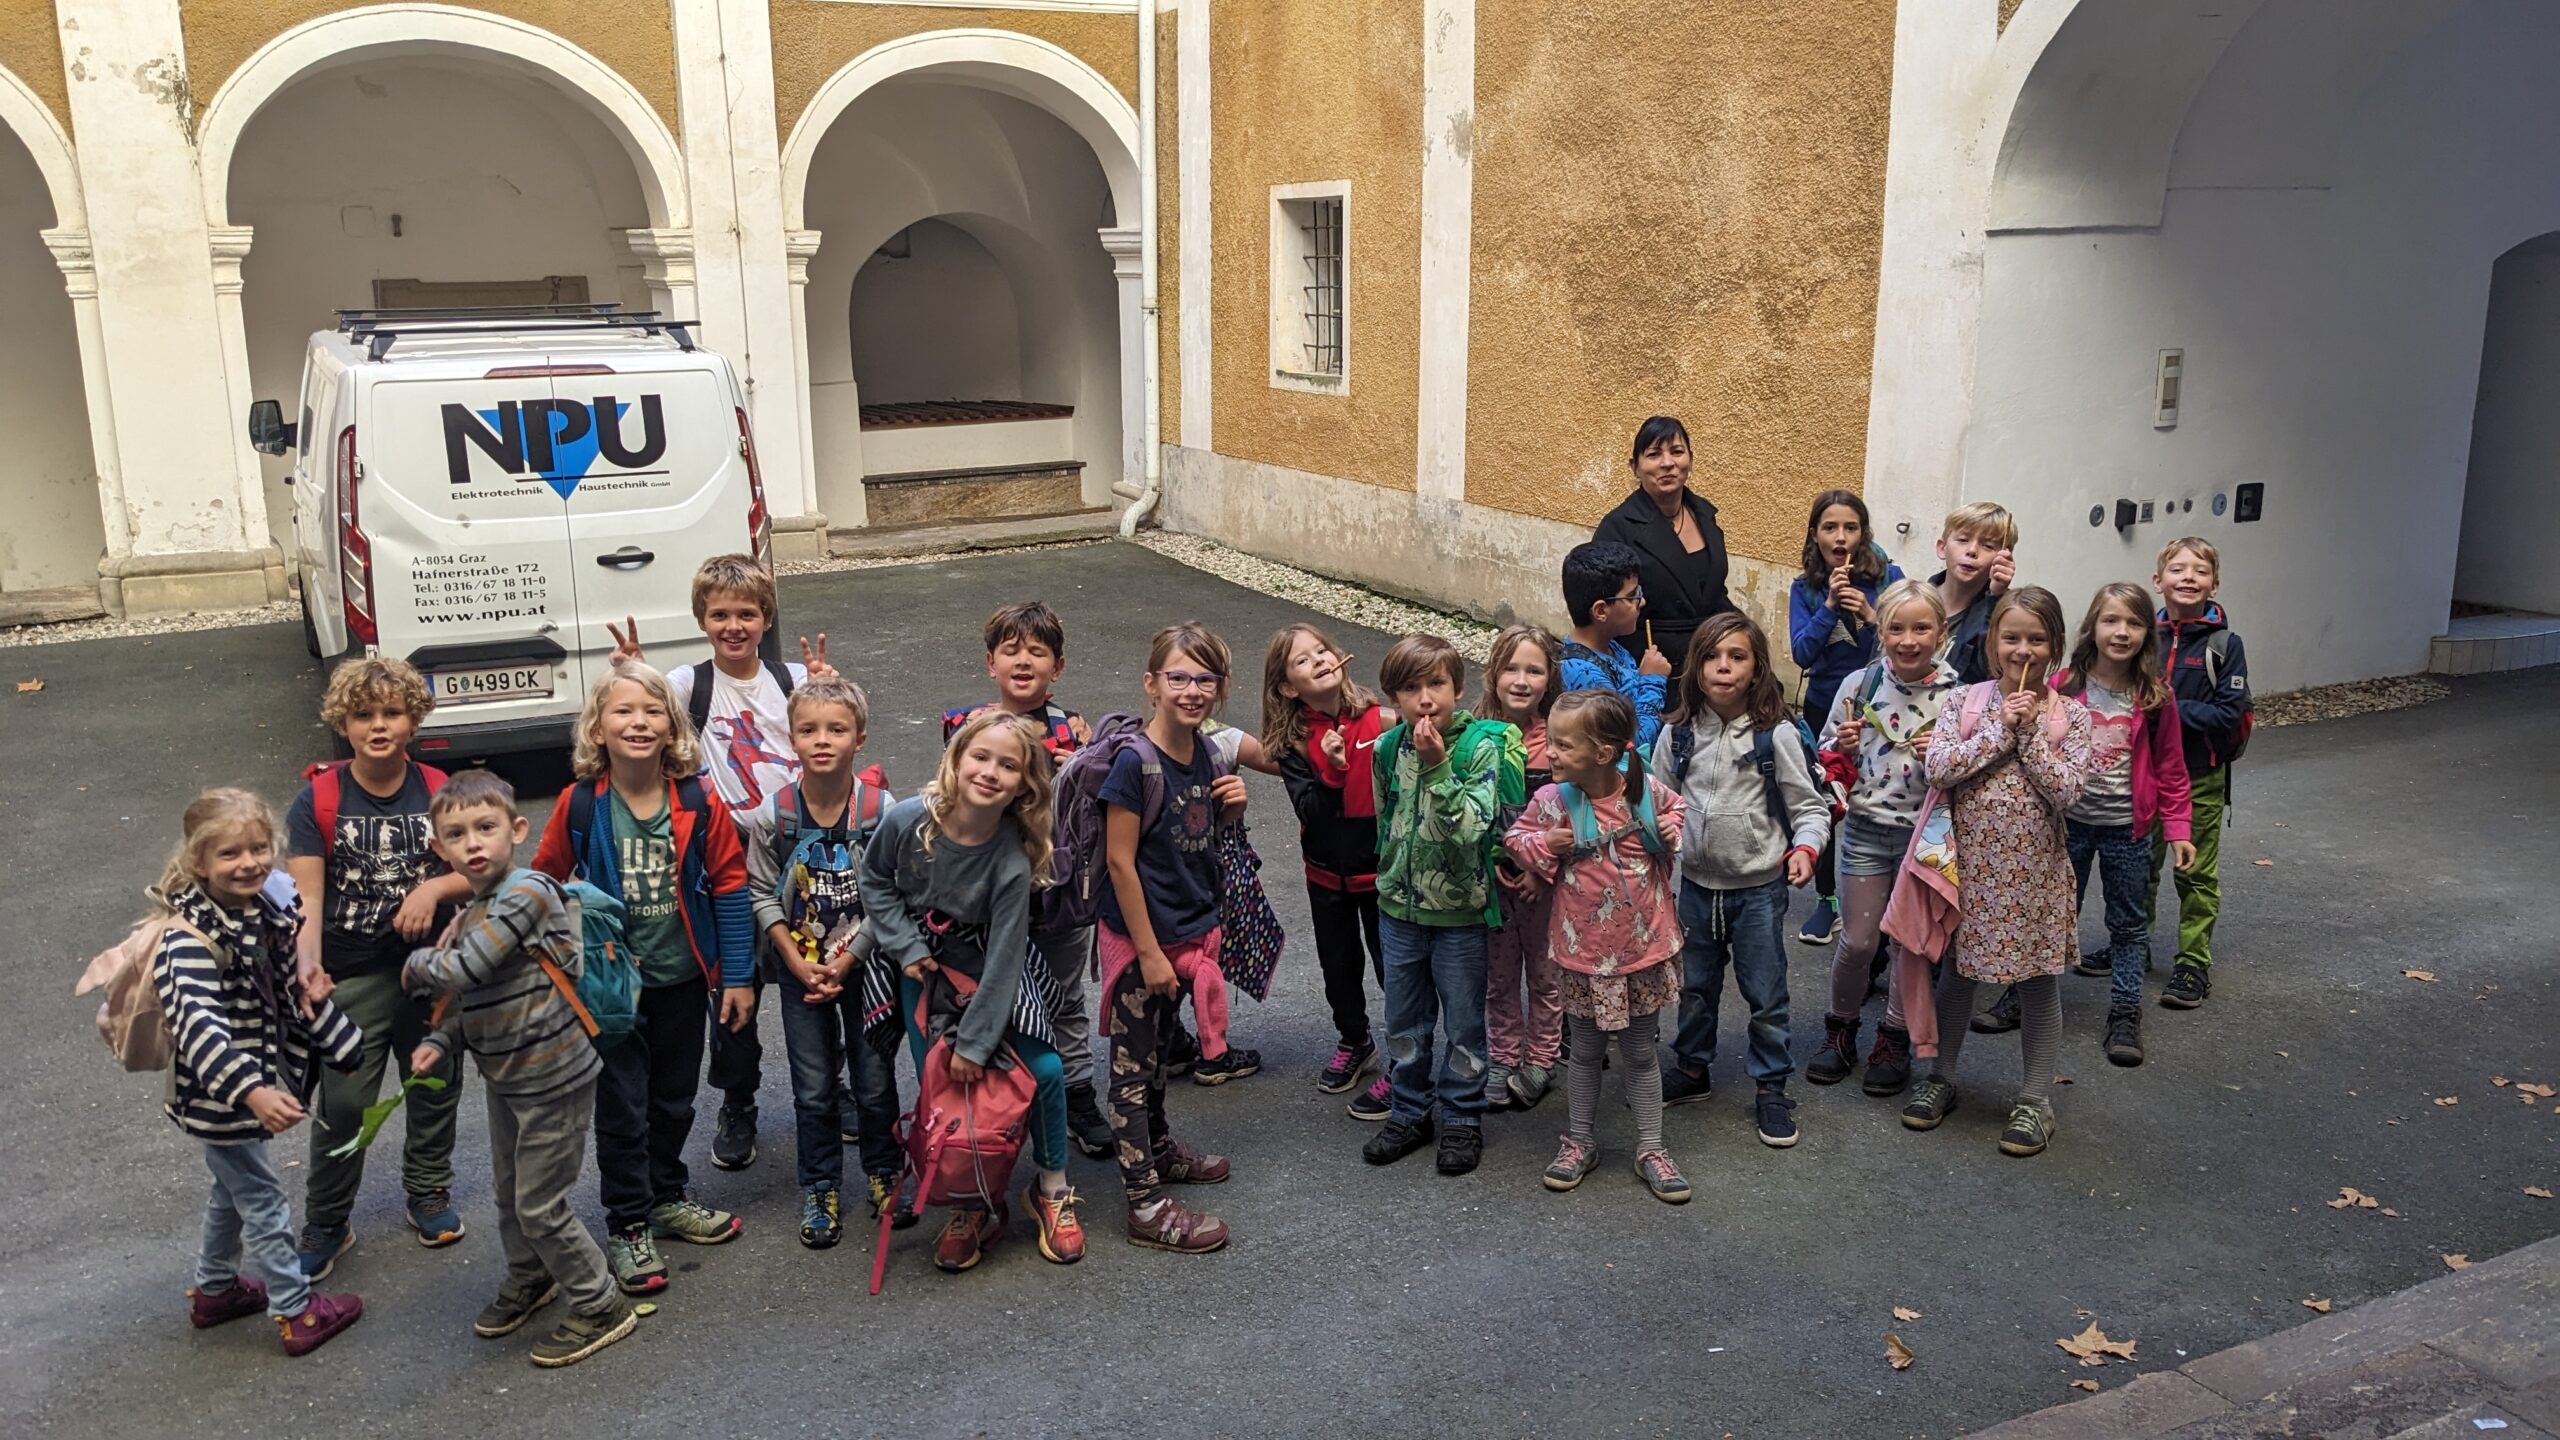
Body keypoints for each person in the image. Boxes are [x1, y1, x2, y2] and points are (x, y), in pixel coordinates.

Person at [532, 658, 756, 1295]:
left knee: (675, 1099)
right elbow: (544, 884)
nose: (638, 721)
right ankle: (628, 1221)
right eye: (623, 710)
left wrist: (736, 976)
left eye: (652, 710)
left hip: (682, 980)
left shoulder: (696, 798)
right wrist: (555, 971)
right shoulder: (581, 803)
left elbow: (731, 887)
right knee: (623, 1109)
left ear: (672, 726)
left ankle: (666, 1195)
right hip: (610, 993)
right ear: (597, 727)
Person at [605, 553, 835, 1174]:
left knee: (816, 978)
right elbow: (641, 705)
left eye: (747, 614)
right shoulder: (688, 684)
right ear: (702, 620)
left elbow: (830, 731)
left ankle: (829, 1087)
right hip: (725, 866)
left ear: (767, 617)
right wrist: (630, 670)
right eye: (720, 615)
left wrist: (824, 688)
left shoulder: (789, 680)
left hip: (799, 863)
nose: (734, 626)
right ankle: (739, 1100)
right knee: (734, 991)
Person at [400, 770, 637, 1368]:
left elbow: (465, 970)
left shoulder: (528, 891)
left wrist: (418, 963)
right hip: (506, 1074)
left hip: (555, 1074)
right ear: (440, 849)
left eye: (486, 827)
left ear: (517, 830)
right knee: (509, 1194)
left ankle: (601, 1301)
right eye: (457, 834)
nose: (474, 843)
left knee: (540, 1203)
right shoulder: (473, 907)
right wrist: (440, 1040)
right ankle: (532, 1276)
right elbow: (473, 995)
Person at [858, 711, 1085, 1271]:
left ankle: (1051, 1188)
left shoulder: (1010, 857)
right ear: (956, 760)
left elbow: (1007, 957)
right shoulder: (910, 820)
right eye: (980, 757)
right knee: (947, 1088)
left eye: (1008, 766)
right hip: (922, 974)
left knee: (1045, 1072)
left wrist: (976, 1044)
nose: (990, 772)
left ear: (1024, 786)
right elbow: (874, 880)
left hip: (992, 973)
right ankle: (971, 1203)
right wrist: (907, 946)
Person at [150, 788, 366, 1356]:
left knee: (232, 1188)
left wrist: (333, 1032)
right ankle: (296, 1311)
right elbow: (199, 1028)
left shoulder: (264, 909)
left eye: (257, 848)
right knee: (263, 1199)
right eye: (228, 854)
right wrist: (253, 1092)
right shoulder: (188, 940)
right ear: (199, 862)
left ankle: (216, 1290)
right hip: (221, 1097)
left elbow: (291, 991)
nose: (248, 862)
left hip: (245, 1091)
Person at [283, 657, 471, 1279]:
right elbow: (304, 897)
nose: (378, 726)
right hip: (352, 975)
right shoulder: (320, 798)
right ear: (343, 723)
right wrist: (307, 967)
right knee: (344, 1104)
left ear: (414, 720)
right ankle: (328, 1220)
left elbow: (479, 865)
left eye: (392, 713)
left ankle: (427, 1191)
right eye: (363, 715)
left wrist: (433, 891)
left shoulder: (442, 789)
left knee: (435, 1085)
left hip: (432, 972)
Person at [1901, 587, 2094, 1158]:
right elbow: (1937, 766)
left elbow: (2067, 792)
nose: (2022, 649)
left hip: (2034, 879)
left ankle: (2035, 1100)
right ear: (1992, 643)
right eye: (2011, 638)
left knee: (2037, 983)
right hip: (1968, 873)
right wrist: (1997, 729)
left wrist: (2030, 730)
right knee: (1958, 975)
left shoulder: (2071, 715)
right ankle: (1941, 1077)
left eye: (2036, 639)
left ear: (2055, 646)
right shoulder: (1964, 702)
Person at [737, 677, 907, 1248]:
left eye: (837, 729)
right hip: (800, 971)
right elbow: (759, 890)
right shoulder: (774, 815)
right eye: (808, 730)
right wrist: (794, 956)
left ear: (860, 738)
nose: (822, 740)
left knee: (875, 1079)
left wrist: (852, 956)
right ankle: (820, 1186)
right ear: (791, 738)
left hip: (867, 968)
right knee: (813, 1087)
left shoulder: (882, 811)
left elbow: (892, 892)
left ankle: (885, 1173)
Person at [1502, 690, 1690, 1203]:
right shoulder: (1551, 802)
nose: (1552, 752)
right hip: (1581, 954)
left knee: (1641, 1052)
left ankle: (1651, 1147)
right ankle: (1578, 1141)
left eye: (1563, 744)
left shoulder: (1645, 793)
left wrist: (1672, 829)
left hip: (1641, 952)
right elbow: (1515, 839)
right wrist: (1546, 846)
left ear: (1603, 754)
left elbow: (1682, 817)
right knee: (1582, 1052)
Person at [942, 601, 1115, 1150]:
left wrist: (1083, 762)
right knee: (992, 994)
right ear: (990, 662)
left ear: (1056, 668)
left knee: (1064, 998)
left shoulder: (1076, 732)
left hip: (1057, 891)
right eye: (1011, 650)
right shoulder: (966, 728)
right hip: (988, 895)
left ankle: (1079, 1096)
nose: (1024, 661)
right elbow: (952, 798)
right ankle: (999, 1104)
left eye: (1037, 652)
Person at [1652, 614, 1830, 1148]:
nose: (1723, 667)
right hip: (1697, 888)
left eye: (1737, 656)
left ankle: (1771, 1086)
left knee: (1765, 991)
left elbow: (1810, 808)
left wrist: (1806, 849)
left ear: (1756, 670)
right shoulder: (1678, 732)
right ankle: (1691, 1069)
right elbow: (1655, 801)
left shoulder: (1774, 735)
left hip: (1758, 890)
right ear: (1696, 666)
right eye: (1712, 656)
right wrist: (1659, 837)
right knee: (1695, 987)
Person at [1094, 622, 1244, 1251]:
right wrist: (1151, 953)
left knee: (1156, 1057)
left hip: (1185, 934)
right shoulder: (1136, 763)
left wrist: (1230, 810)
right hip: (1141, 945)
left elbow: (1195, 837)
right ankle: (1143, 1204)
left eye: (1204, 678)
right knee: (1131, 1071)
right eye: (1178, 677)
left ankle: (1158, 1150)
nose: (1191, 689)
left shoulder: (1205, 752)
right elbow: (1119, 862)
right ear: (1150, 684)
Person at [1363, 634, 1528, 1177]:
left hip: (1459, 916)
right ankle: (1410, 1111)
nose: (1425, 698)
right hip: (1398, 912)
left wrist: (1437, 767)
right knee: (1403, 1021)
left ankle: (1462, 1116)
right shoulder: (1389, 748)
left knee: (1463, 1023)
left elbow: (1471, 829)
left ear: (1458, 688)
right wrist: (1389, 877)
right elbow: (1386, 822)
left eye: (1436, 684)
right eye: (1410, 688)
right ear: (1394, 698)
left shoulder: (1481, 745)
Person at [1803, 579, 1957, 1098]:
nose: (1908, 639)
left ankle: (1893, 1037)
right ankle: (1840, 1030)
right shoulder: (1860, 685)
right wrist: (1839, 741)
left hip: (1926, 834)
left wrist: (1946, 753)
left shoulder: (1958, 698)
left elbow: (1970, 770)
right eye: (1896, 627)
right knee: (1858, 941)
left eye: (1921, 628)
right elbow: (1825, 751)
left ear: (1941, 631)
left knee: (1909, 946)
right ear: (1880, 630)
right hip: (1867, 829)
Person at [2053, 584, 2197, 1066]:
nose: (2122, 631)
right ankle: (2027, 999)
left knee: (2129, 925)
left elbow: (2172, 767)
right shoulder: (2063, 686)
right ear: (2092, 627)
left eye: (2134, 623)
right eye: (2111, 620)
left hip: (2127, 830)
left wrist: (2178, 829)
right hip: (2066, 826)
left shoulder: (2155, 697)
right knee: (2055, 915)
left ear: (2146, 633)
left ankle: (2125, 1011)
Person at [1260, 623, 1395, 1104]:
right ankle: (1355, 1039)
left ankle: (1404, 1058)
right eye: (1303, 660)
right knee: (1339, 968)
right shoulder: (1293, 743)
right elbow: (1310, 813)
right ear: (1285, 687)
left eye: (1322, 650)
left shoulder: (1382, 721)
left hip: (1382, 875)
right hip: (1326, 876)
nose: (1319, 660)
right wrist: (1333, 770)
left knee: (1392, 969)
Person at [1788, 490, 1906, 947]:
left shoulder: (1890, 576)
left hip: (1883, 705)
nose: (1840, 537)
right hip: (1825, 704)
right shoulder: (1806, 588)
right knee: (1826, 798)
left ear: (1864, 532)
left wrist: (1872, 614)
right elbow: (1801, 653)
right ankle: (1828, 902)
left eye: (1850, 527)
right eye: (1830, 528)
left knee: (1878, 796)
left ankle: (1887, 895)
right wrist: (1830, 608)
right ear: (1815, 535)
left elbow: (1909, 640)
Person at [2152, 537, 2252, 1013]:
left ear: (2215, 582)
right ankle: (2130, 943)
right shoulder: (2140, 636)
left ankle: (2193, 962)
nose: (2187, 577)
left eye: (2199, 570)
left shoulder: (2224, 645)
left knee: (2195, 873)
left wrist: (2166, 709)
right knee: (2137, 868)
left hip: (2199, 775)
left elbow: (2228, 714)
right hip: (2143, 775)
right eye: (2177, 568)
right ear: (2159, 581)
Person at [1478, 624, 1563, 1111]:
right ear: (1494, 674)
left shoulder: (1556, 741)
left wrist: (1540, 869)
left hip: (1543, 885)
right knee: (1500, 975)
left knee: (1546, 974)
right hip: (1493, 884)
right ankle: (1504, 1057)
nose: (1521, 680)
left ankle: (1542, 1060)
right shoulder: (1470, 735)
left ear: (1549, 678)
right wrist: (1491, 867)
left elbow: (1570, 814)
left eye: (1534, 670)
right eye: (1511, 668)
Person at [1591, 414, 1735, 674]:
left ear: (1690, 459)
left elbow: (1714, 593)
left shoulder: (1705, 516)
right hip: (1651, 662)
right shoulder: (1617, 528)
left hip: (1711, 657)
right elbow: (1602, 613)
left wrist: (1744, 634)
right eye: (1654, 454)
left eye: (1677, 452)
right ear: (1635, 467)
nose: (1668, 463)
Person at [1558, 541, 1670, 754]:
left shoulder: (1614, 649)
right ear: (1600, 611)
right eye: (1632, 596)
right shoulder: (1583, 674)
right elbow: (1631, 746)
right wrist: (1652, 681)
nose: (1642, 601)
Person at [1928, 502, 2018, 686]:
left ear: (2003, 557)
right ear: (1942, 547)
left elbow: (1992, 673)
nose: (1972, 551)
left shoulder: (2006, 612)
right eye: (1962, 540)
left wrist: (1996, 597)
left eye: (1988, 545)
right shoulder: (1911, 600)